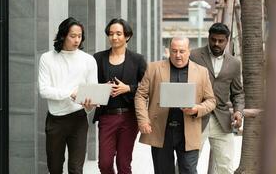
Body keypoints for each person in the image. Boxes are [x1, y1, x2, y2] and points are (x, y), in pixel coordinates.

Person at [135, 37, 216, 174]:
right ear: (169, 51)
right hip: (161, 130)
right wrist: (143, 119)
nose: (178, 55)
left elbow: (211, 100)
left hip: (188, 130)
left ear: (189, 51)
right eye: (174, 51)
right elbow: (140, 95)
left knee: (189, 171)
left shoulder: (201, 72)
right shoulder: (154, 68)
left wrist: (197, 109)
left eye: (182, 51)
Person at [38, 17, 98, 174]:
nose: (77, 40)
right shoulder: (47, 58)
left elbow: (92, 92)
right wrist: (70, 93)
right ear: (63, 35)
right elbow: (43, 90)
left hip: (78, 119)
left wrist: (89, 106)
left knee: (76, 169)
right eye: (73, 36)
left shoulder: (88, 60)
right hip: (55, 120)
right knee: (55, 167)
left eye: (80, 36)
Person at [92, 18, 147, 174]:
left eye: (118, 34)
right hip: (106, 117)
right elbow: (90, 85)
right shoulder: (98, 58)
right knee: (105, 163)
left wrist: (128, 88)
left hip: (129, 118)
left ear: (127, 36)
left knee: (124, 163)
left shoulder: (137, 60)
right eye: (111, 34)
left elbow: (148, 88)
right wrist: (102, 89)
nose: (114, 37)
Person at [190, 22, 245, 174]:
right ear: (209, 38)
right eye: (213, 39)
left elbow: (238, 93)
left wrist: (238, 112)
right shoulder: (194, 56)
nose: (216, 43)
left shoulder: (234, 63)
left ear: (227, 41)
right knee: (187, 165)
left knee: (225, 166)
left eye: (221, 41)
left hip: (222, 120)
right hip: (196, 118)